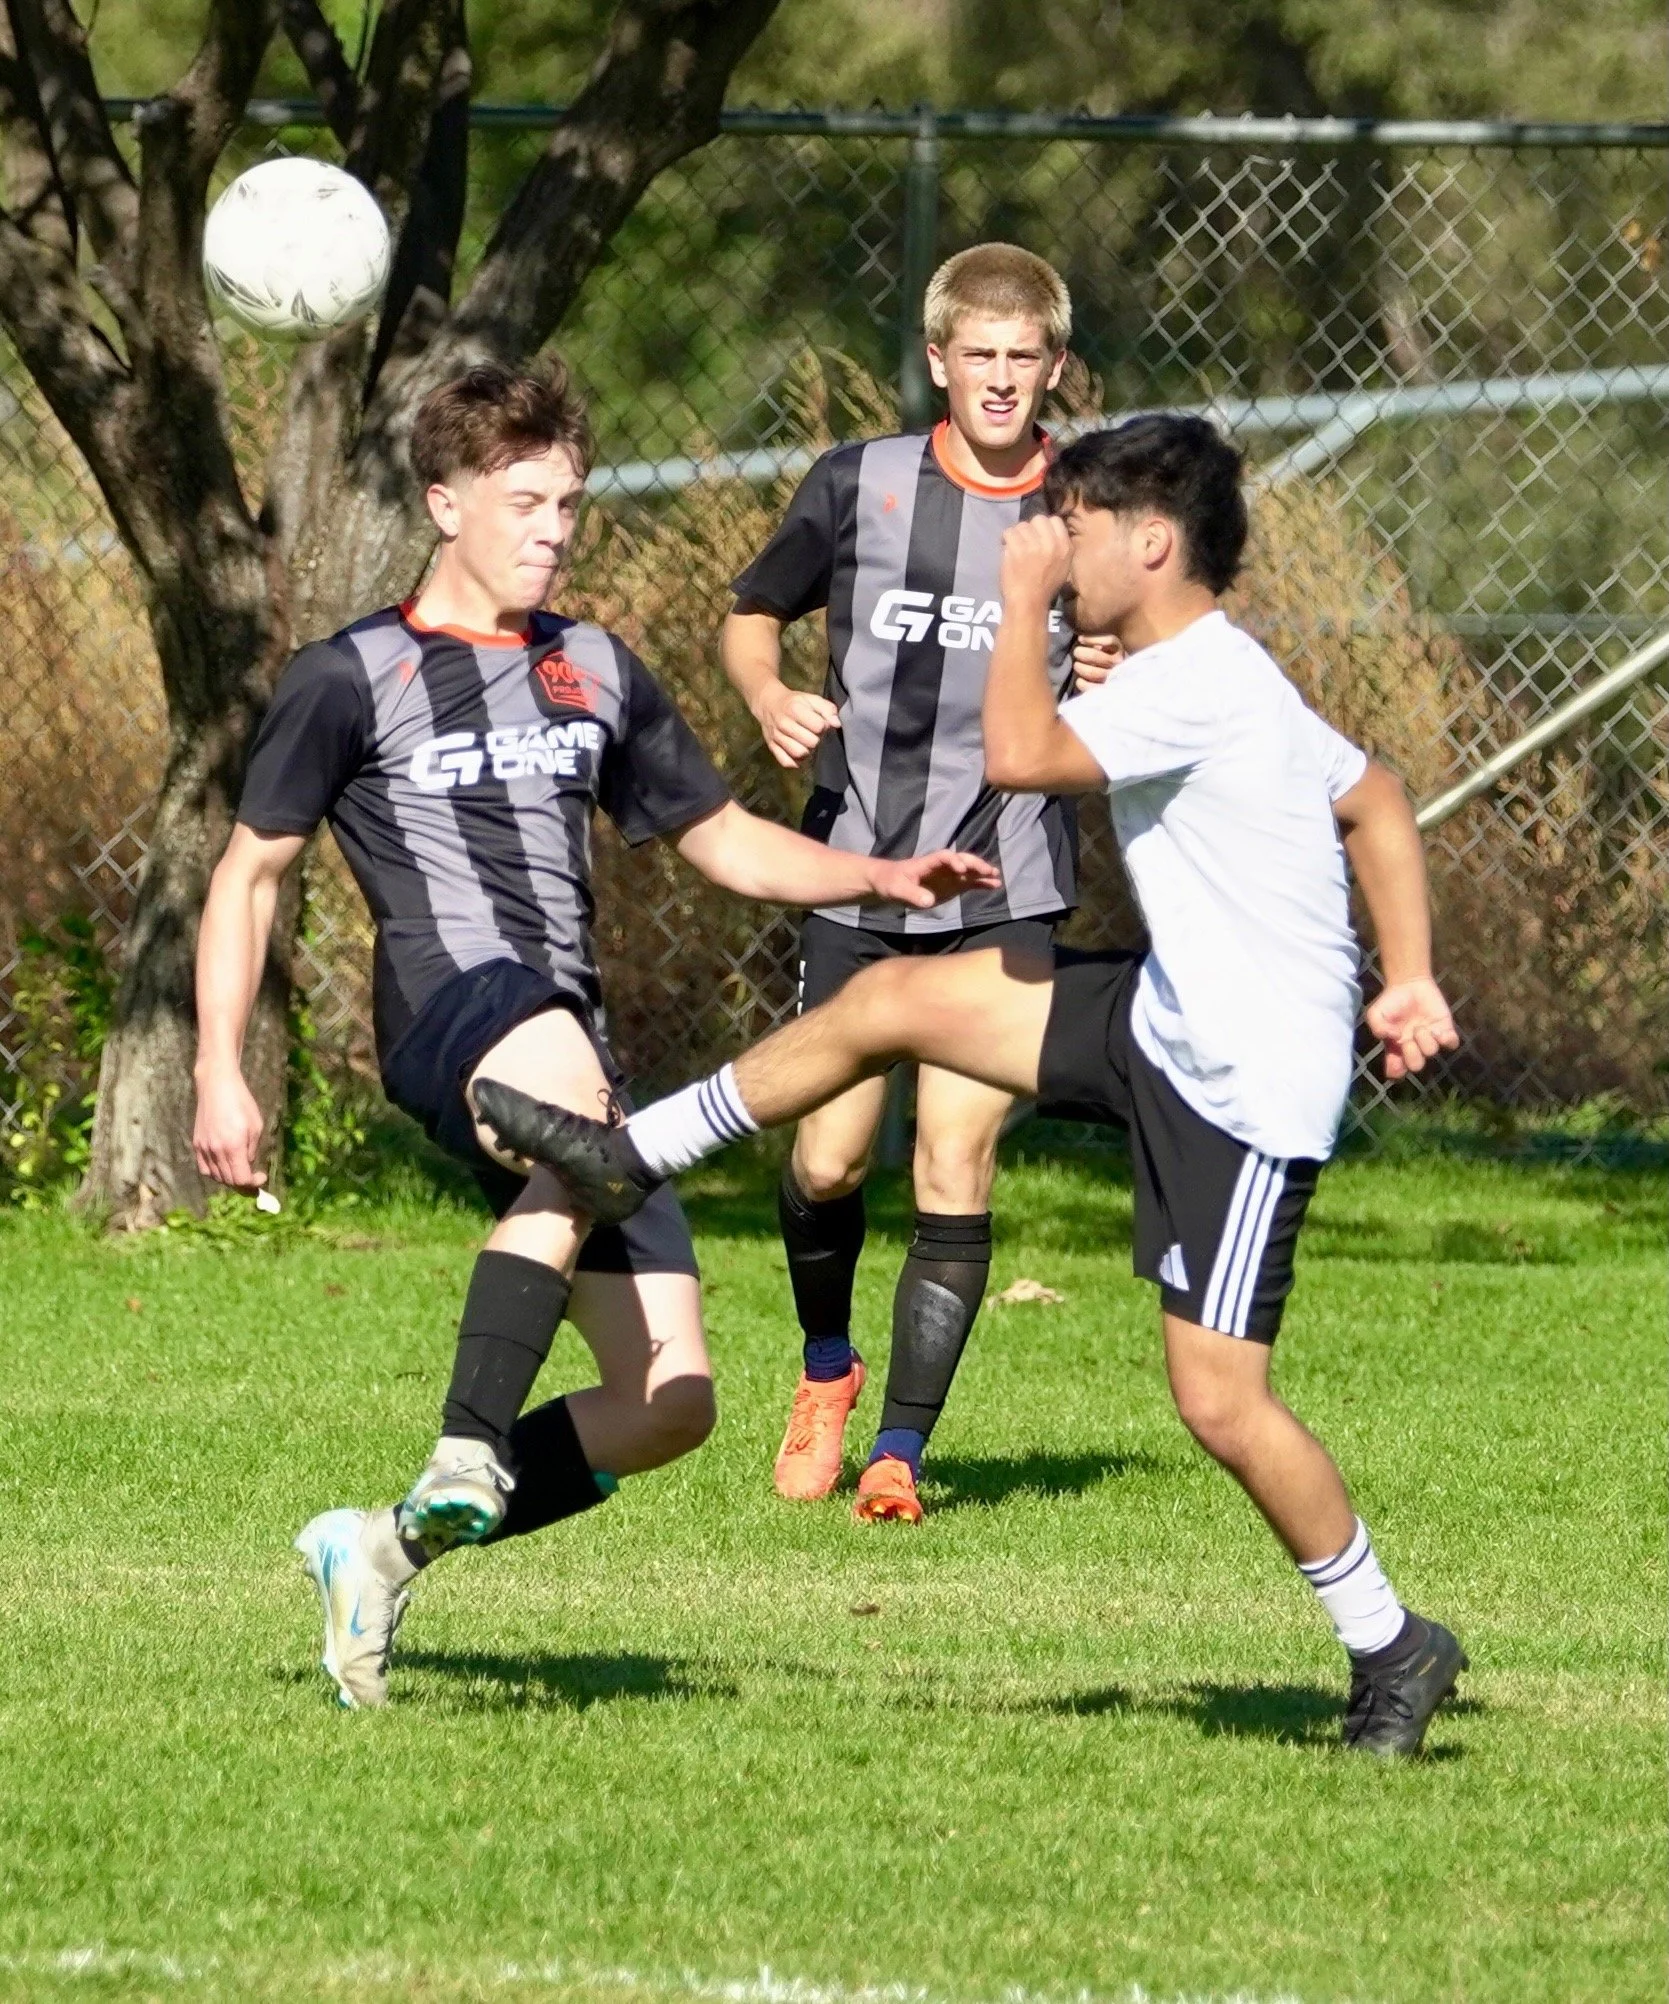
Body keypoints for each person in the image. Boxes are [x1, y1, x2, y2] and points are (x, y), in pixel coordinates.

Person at [472, 413, 1470, 1757]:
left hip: (1243, 1085)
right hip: (1161, 1014)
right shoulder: (1210, 670)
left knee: (1219, 1401)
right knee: (885, 1000)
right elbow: (1383, 796)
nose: (1053, 541)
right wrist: (1405, 973)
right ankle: (631, 1154)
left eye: (1079, 524)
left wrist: (1018, 599)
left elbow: (1016, 757)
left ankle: (1392, 1644)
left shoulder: (1196, 682)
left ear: (1152, 543)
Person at [190, 360, 996, 1710]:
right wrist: (220, 1070)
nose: (553, 527)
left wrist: (879, 875)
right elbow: (248, 876)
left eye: (567, 501)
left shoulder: (593, 668)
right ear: (444, 501)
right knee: (574, 1105)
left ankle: (379, 1550)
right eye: (524, 501)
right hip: (456, 1011)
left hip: (574, 1051)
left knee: (672, 1400)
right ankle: (462, 1445)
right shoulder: (351, 676)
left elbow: (724, 840)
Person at [721, 242, 1121, 1524]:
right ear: (938, 360)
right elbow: (749, 613)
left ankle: (898, 1450)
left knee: (955, 1161)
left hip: (1012, 882)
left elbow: (1158, 650)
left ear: (1053, 367)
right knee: (829, 1163)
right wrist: (768, 691)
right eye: (978, 358)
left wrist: (1123, 677)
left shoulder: (1095, 501)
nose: (1001, 382)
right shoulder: (861, 481)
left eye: (1024, 360)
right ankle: (826, 1368)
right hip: (859, 871)